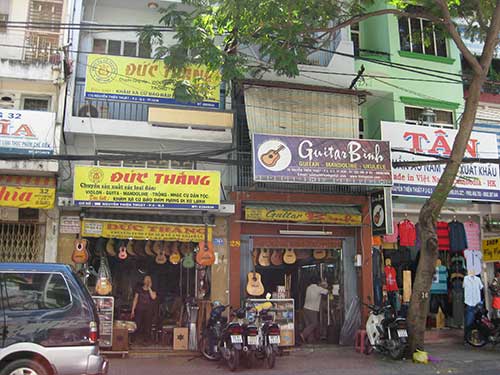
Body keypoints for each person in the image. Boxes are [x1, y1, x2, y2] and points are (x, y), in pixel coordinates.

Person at [300, 277, 328, 344]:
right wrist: (324, 285)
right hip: (312, 310)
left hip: (305, 308)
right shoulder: (318, 289)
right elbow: (327, 292)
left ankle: (310, 340)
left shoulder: (308, 287)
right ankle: (303, 334)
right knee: (314, 323)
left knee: (308, 325)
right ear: (318, 282)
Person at [131, 275, 157, 344]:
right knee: (137, 324)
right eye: (146, 279)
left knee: (147, 325)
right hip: (139, 309)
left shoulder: (153, 289)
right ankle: (133, 338)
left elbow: (153, 297)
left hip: (148, 310)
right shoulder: (139, 289)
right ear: (144, 281)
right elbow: (135, 300)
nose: (147, 281)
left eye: (149, 279)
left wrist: (149, 288)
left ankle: (146, 340)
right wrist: (133, 310)